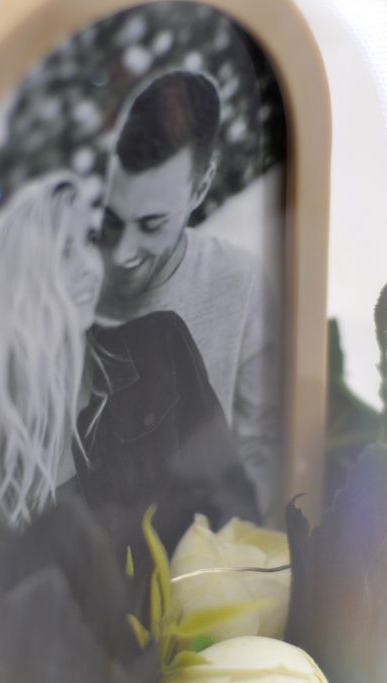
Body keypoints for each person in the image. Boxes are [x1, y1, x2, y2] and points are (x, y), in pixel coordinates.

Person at [0, 172, 260, 563]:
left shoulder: (159, 346)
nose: (87, 265)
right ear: (19, 283)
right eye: (64, 252)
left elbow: (233, 511)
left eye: (89, 240)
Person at [99, 70, 282, 524]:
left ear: (200, 189)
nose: (121, 252)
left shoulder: (241, 283)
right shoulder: (61, 284)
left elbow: (264, 446)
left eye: (151, 224)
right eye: (113, 220)